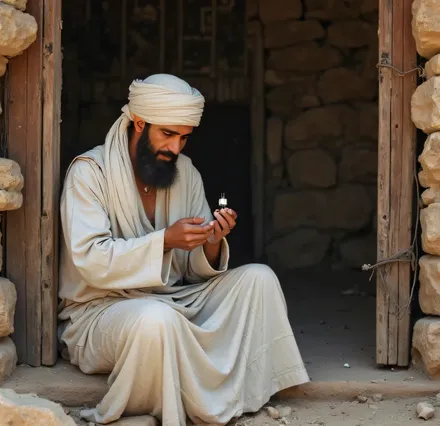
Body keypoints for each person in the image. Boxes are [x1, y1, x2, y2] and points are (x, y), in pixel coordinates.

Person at [57, 73, 309, 425]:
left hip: (174, 300)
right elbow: (92, 261)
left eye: (184, 138)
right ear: (139, 122)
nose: (176, 148)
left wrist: (209, 242)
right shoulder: (89, 174)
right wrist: (165, 241)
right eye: (168, 134)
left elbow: (191, 271)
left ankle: (247, 389)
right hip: (101, 314)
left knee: (258, 279)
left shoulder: (185, 172)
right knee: (156, 321)